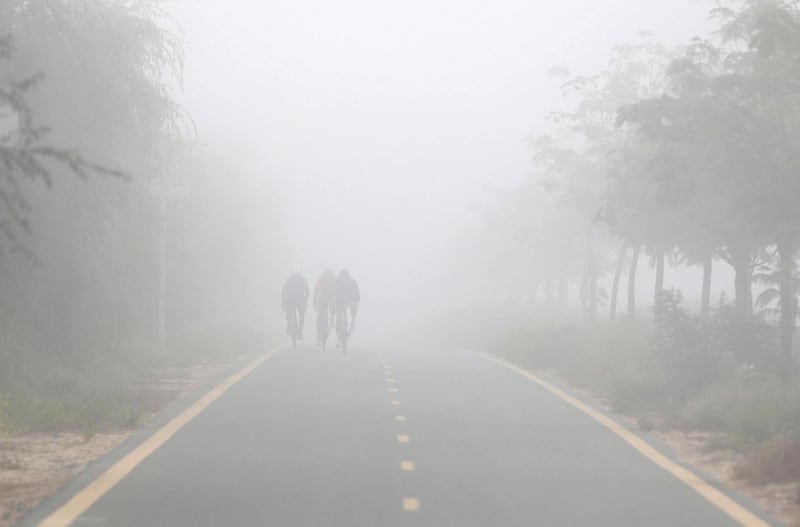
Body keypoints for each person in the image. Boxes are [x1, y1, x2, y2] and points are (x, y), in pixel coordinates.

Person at [334, 269, 360, 345]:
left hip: (340, 302)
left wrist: (333, 300)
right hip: (349, 301)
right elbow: (357, 291)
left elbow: (333, 292)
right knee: (351, 314)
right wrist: (356, 300)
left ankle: (339, 336)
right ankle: (352, 324)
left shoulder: (337, 281)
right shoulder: (352, 281)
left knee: (338, 319)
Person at [281, 269, 309, 339]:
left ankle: (289, 326)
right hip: (300, 301)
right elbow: (307, 290)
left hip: (290, 300)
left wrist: (283, 300)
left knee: (289, 314)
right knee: (301, 316)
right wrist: (306, 300)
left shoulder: (289, 279)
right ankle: (300, 331)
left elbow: (283, 290)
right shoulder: (303, 279)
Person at [313, 268, 337, 346]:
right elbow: (338, 290)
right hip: (330, 300)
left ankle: (318, 336)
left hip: (322, 300)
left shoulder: (320, 279)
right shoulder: (334, 279)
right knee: (331, 314)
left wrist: (314, 301)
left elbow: (316, 290)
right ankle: (331, 323)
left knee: (320, 318)